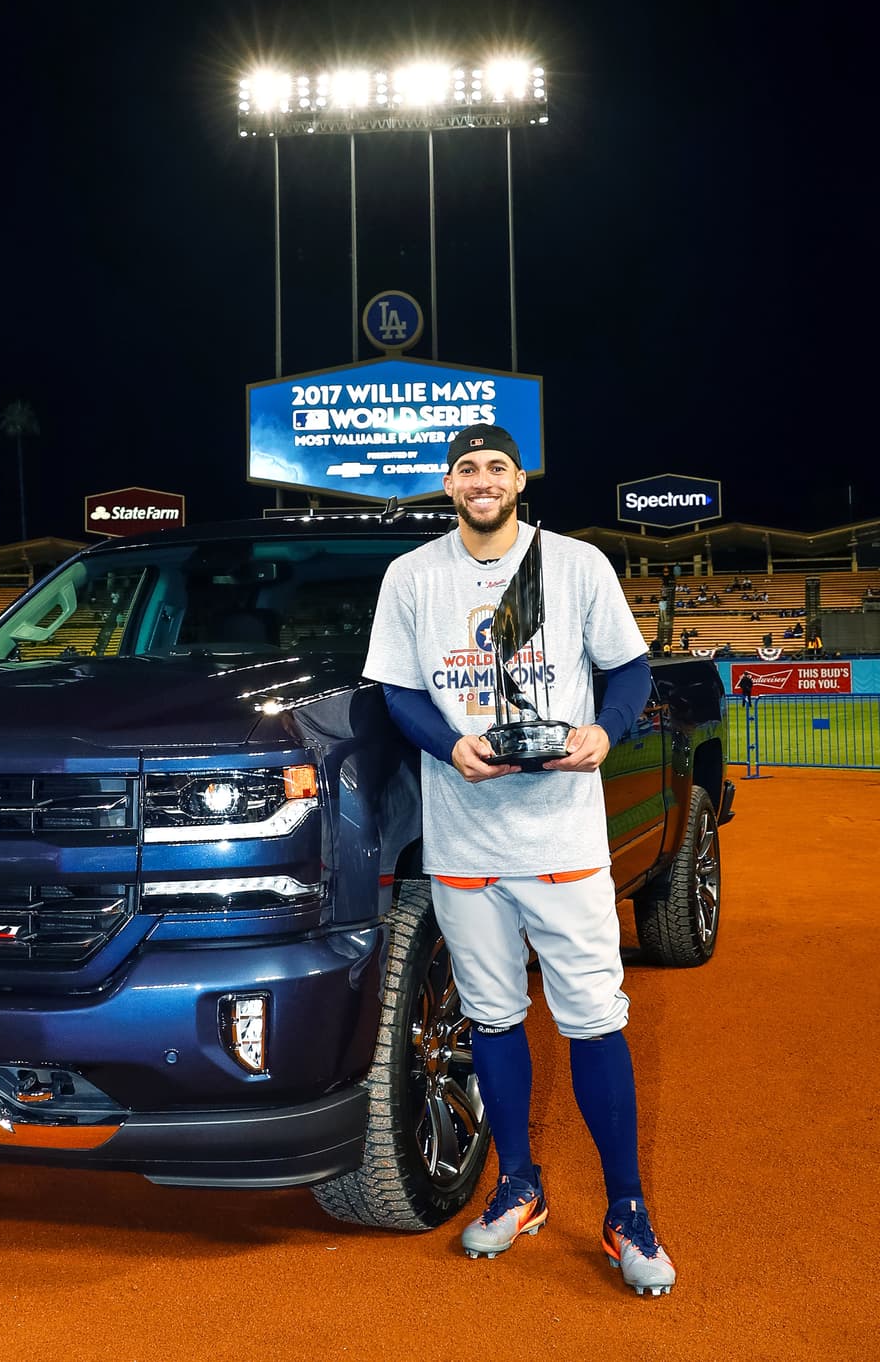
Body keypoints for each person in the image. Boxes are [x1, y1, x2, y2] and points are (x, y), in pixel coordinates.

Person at [364, 425, 675, 1297]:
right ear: (449, 484)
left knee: (594, 1021)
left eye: (495, 466)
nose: (482, 480)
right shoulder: (412, 575)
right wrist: (450, 747)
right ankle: (519, 1188)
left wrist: (605, 731)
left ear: (519, 479)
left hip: (561, 839)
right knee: (493, 1019)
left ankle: (627, 1211)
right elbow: (397, 691)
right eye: (466, 468)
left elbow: (631, 670)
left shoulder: (575, 563)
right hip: (465, 841)